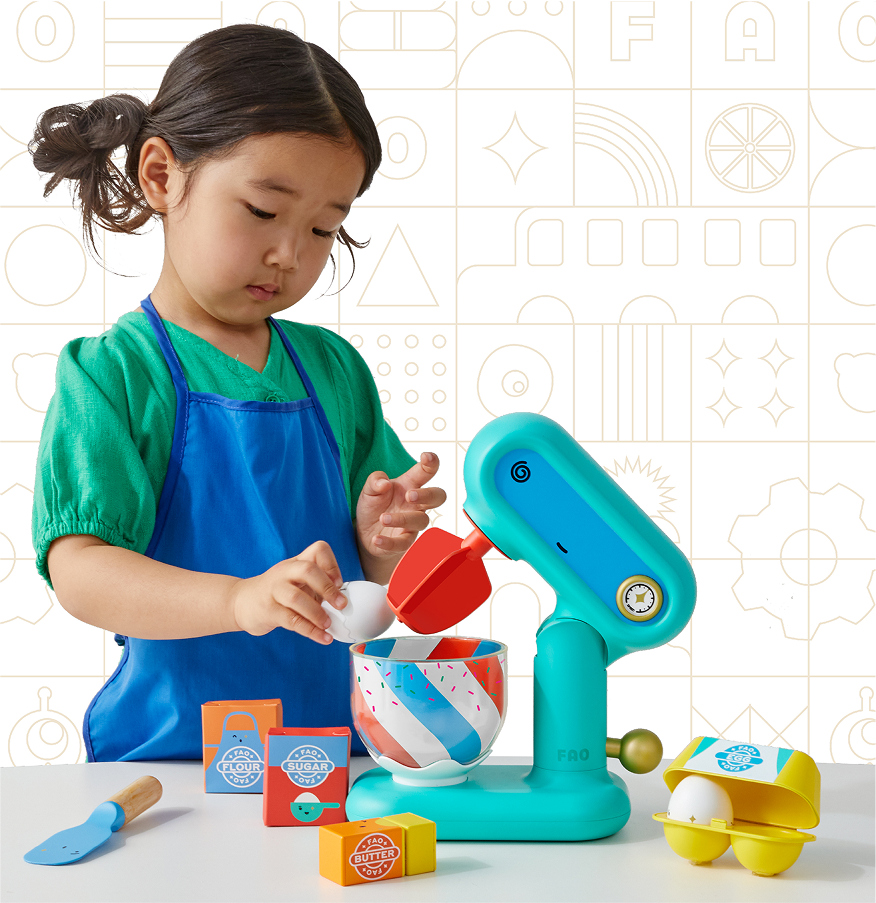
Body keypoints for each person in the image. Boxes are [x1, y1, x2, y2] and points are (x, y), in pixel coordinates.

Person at [29, 24, 445, 762]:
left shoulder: (333, 369)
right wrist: (237, 600)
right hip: (173, 763)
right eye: (262, 211)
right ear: (161, 176)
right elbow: (81, 570)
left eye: (324, 228)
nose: (289, 253)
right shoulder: (111, 374)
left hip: (330, 753)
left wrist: (381, 542)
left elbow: (375, 597)